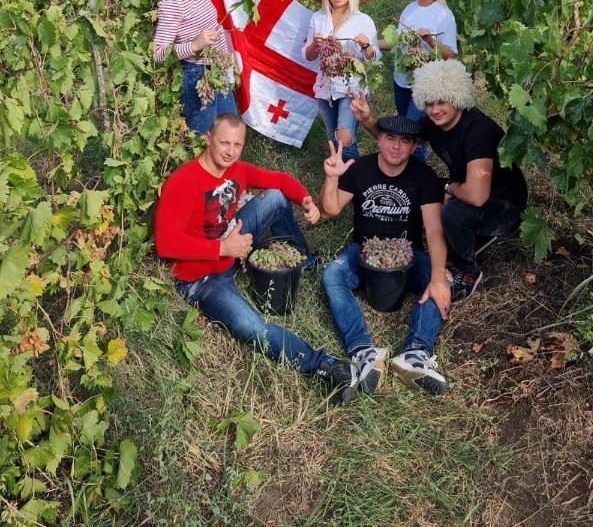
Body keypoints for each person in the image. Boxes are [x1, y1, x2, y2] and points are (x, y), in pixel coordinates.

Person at [155, 112, 358, 403]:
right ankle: (324, 366)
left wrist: (305, 199)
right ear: (208, 139)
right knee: (249, 325)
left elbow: (278, 180)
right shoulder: (183, 182)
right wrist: (223, 250)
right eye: (224, 143)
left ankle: (304, 261)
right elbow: (166, 243)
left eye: (237, 145)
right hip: (202, 278)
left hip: (230, 246)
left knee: (274, 196)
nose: (230, 151)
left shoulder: (237, 169)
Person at [352, 60, 528, 301]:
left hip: (505, 203)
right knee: (432, 201)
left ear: (457, 98)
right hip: (471, 189)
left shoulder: (479, 131)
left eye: (442, 102)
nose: (434, 110)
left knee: (451, 212)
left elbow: (477, 196)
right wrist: (367, 119)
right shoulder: (434, 123)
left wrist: (447, 186)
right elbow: (397, 144)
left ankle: (467, 272)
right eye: (429, 103)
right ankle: (470, 236)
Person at [319, 115, 451, 395]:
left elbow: (433, 229)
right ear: (378, 139)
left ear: (414, 147)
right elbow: (330, 209)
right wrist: (331, 178)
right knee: (332, 275)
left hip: (408, 254)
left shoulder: (424, 177)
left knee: (441, 278)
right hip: (364, 250)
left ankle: (415, 355)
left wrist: (438, 278)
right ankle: (363, 352)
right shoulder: (361, 170)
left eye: (405, 141)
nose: (396, 146)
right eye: (390, 138)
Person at [154, 0, 237, 134]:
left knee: (229, 131)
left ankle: (231, 166)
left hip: (219, 69)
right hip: (196, 75)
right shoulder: (171, 4)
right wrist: (195, 45)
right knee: (204, 135)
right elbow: (158, 54)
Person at [303, 0, 381, 161]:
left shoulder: (363, 20)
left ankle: (353, 178)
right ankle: (343, 179)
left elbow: (373, 57)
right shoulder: (317, 18)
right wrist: (315, 45)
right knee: (333, 138)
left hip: (351, 87)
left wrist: (366, 46)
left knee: (344, 137)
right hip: (325, 88)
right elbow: (308, 55)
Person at [382, 0, 458, 162]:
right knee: (410, 133)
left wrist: (431, 42)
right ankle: (411, 178)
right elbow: (396, 42)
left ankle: (416, 181)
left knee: (411, 135)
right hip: (401, 82)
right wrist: (370, 43)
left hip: (425, 85)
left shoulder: (444, 16)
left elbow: (451, 55)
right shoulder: (409, 9)